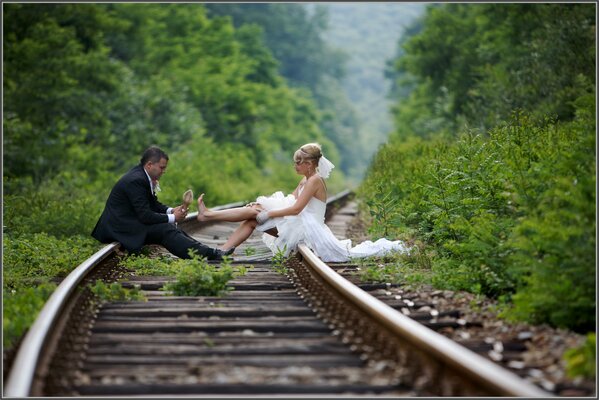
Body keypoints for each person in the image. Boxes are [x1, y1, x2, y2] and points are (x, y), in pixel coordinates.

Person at [196, 143, 409, 262]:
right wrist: (263, 207)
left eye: (298, 163)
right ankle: (223, 249)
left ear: (309, 164)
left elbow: (297, 208)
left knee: (257, 214)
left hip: (308, 228)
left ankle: (210, 217)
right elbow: (290, 200)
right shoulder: (306, 179)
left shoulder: (316, 181)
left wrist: (269, 213)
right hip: (298, 222)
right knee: (253, 216)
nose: (295, 166)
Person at [91, 146, 233, 261]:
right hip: (120, 227)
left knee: (169, 227)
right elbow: (145, 215)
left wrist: (171, 211)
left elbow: (153, 204)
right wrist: (173, 218)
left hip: (128, 222)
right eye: (161, 167)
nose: (164, 171)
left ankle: (209, 253)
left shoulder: (142, 176)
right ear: (149, 164)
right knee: (166, 229)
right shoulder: (136, 180)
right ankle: (209, 254)